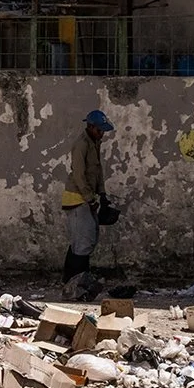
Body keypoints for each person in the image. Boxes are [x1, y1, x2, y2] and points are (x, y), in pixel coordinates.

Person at [61, 108, 113, 280]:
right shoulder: (81, 144)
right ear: (91, 127)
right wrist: (90, 199)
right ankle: (74, 280)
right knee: (82, 242)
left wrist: (102, 194)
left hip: (86, 198)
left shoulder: (94, 143)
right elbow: (79, 175)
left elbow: (97, 171)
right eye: (99, 130)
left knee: (88, 239)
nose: (102, 134)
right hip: (77, 198)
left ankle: (78, 279)